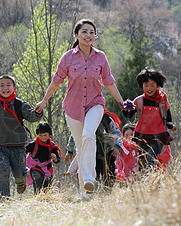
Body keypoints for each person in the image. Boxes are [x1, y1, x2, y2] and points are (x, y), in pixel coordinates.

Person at [35, 18, 124, 195]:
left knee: (89, 134)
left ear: (95, 36)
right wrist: (43, 101)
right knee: (81, 147)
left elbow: (109, 82)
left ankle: (90, 178)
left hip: (95, 103)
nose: (88, 35)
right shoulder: (68, 57)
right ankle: (86, 192)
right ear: (76, 35)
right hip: (73, 108)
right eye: (84, 32)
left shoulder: (100, 57)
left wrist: (122, 102)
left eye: (92, 32)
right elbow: (56, 82)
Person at [123, 68, 177, 172]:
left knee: (151, 157)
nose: (149, 88)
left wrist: (170, 125)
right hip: (142, 135)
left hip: (158, 135)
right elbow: (128, 115)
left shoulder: (162, 99)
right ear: (142, 86)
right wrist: (126, 108)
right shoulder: (139, 101)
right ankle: (148, 182)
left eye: (152, 85)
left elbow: (167, 114)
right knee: (142, 161)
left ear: (157, 84)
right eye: (146, 85)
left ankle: (151, 176)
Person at [65, 109, 123, 189]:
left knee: (109, 174)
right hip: (90, 152)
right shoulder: (82, 118)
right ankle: (94, 194)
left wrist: (117, 146)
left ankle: (108, 193)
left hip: (107, 151)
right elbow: (74, 135)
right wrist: (70, 150)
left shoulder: (105, 117)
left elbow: (116, 132)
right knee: (92, 175)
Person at [25, 122, 62, 194]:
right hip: (34, 166)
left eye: (45, 135)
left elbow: (57, 160)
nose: (43, 137)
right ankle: (37, 197)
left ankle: (45, 198)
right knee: (38, 180)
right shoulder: (33, 144)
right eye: (40, 135)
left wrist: (54, 158)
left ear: (49, 134)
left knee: (47, 185)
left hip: (47, 168)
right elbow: (23, 152)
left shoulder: (52, 146)